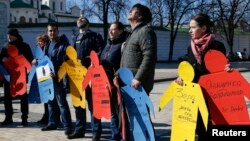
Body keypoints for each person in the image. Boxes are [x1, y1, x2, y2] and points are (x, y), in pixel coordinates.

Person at [175, 13, 231, 141]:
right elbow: (189, 69)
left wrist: (227, 70)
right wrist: (181, 76)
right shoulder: (191, 47)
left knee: (211, 127)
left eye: (193, 27)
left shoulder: (217, 46)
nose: (190, 30)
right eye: (190, 27)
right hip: (195, 94)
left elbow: (222, 69)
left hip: (213, 95)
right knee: (199, 128)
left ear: (204, 28)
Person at [113, 3, 157, 140]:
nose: (130, 11)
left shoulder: (145, 31)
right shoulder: (134, 33)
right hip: (129, 83)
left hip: (137, 84)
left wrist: (138, 78)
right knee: (135, 118)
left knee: (142, 116)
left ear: (140, 15)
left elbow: (149, 57)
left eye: (133, 10)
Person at [68, 16, 104, 140]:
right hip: (78, 76)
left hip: (91, 74)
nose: (79, 19)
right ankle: (80, 130)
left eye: (82, 19)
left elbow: (101, 52)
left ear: (87, 23)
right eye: (78, 19)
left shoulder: (95, 36)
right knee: (79, 104)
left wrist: (89, 59)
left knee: (93, 104)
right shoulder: (75, 37)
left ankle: (96, 132)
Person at [40, 23, 72, 135]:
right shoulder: (46, 45)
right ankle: (53, 122)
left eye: (54, 30)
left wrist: (57, 72)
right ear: (47, 32)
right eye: (50, 31)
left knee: (61, 103)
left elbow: (67, 63)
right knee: (50, 102)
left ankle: (67, 125)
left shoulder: (64, 45)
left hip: (58, 78)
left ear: (58, 31)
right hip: (47, 78)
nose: (52, 33)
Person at [99, 21, 127, 141]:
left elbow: (125, 64)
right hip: (104, 84)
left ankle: (123, 136)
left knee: (119, 112)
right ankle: (115, 135)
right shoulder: (107, 44)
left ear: (121, 31)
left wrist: (117, 74)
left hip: (116, 84)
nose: (111, 31)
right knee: (111, 111)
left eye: (114, 29)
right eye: (110, 29)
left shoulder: (123, 45)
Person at [0, 28, 34, 126]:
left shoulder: (24, 46)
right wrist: (3, 59)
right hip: (8, 77)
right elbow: (0, 59)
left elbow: (30, 59)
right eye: (8, 35)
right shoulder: (5, 47)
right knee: (7, 98)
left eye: (10, 35)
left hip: (21, 77)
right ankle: (8, 118)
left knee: (23, 98)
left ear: (15, 35)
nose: (8, 37)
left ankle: (24, 118)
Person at [34, 34, 49, 124]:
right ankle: (46, 115)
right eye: (39, 41)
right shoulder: (39, 50)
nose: (39, 43)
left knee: (48, 99)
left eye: (41, 41)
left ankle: (49, 116)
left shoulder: (46, 50)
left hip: (47, 76)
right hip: (41, 76)